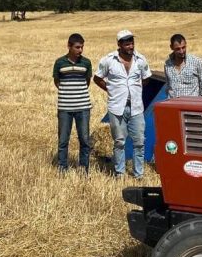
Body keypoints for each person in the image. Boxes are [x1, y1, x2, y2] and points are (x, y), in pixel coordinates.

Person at [94, 29, 151, 178]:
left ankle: (139, 174)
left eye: (132, 43)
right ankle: (120, 173)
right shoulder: (108, 60)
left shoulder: (141, 60)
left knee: (139, 141)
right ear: (119, 45)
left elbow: (146, 78)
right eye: (127, 44)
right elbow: (97, 78)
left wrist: (134, 91)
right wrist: (111, 90)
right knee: (119, 142)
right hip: (116, 107)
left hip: (136, 107)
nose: (130, 46)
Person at [53, 33, 93, 173]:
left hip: (83, 107)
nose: (80, 50)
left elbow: (87, 82)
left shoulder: (86, 63)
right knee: (63, 140)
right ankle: (62, 168)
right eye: (77, 47)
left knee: (85, 140)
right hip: (65, 108)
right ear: (69, 46)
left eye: (82, 47)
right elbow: (57, 82)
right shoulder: (59, 63)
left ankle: (84, 169)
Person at [163, 33, 202, 98]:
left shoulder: (197, 62)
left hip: (192, 106)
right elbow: (168, 87)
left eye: (183, 47)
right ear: (171, 47)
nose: (181, 51)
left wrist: (197, 104)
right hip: (173, 105)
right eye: (178, 49)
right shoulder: (167, 64)